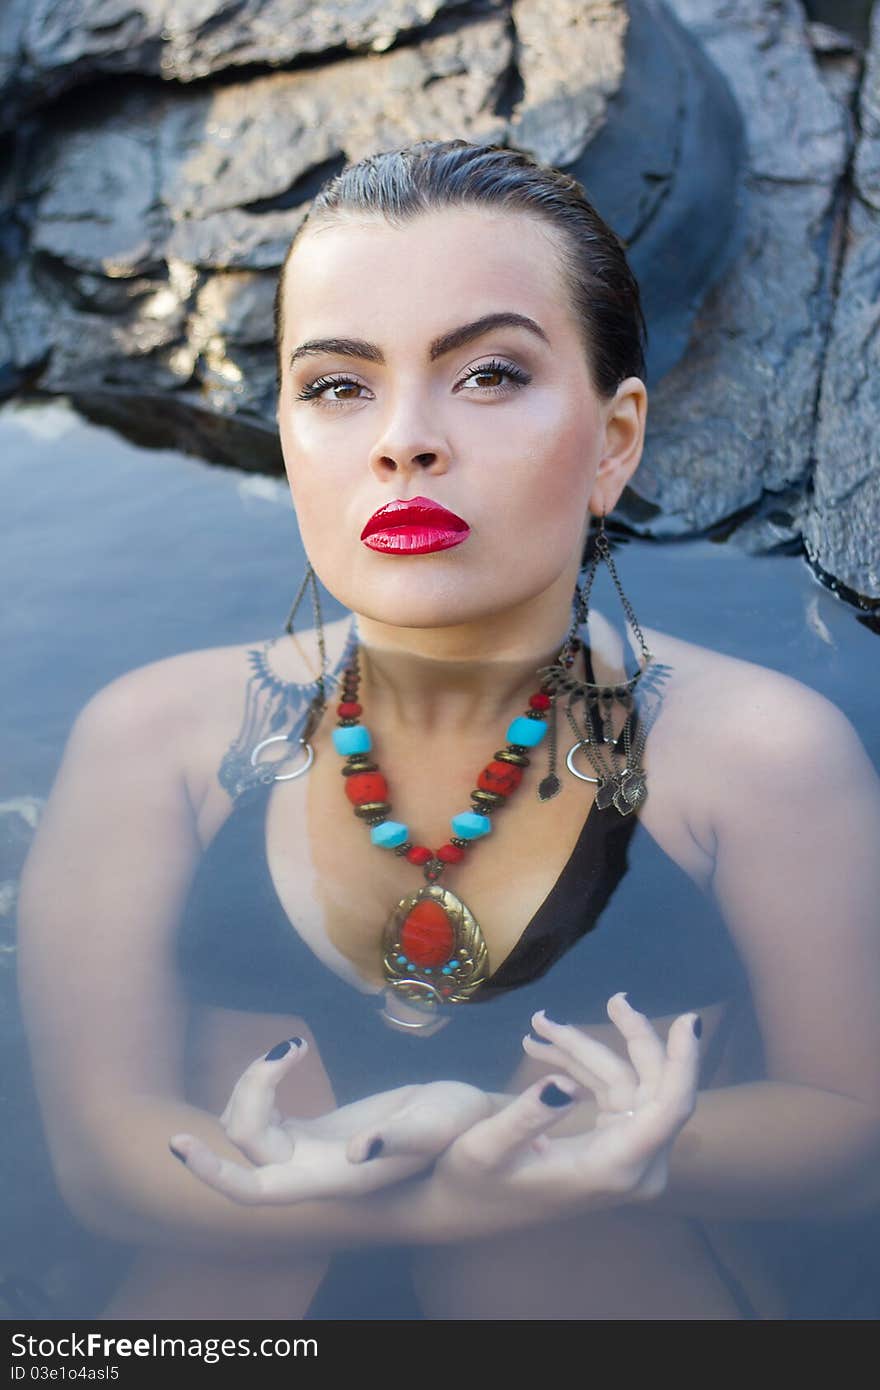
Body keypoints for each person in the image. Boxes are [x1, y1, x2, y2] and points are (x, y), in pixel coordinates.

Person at [16, 139, 880, 1322]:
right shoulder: (153, 737)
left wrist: (501, 1149)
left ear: (615, 439)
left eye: (487, 375)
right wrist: (465, 1188)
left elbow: (849, 1135)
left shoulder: (762, 756)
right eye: (337, 385)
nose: (403, 439)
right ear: (283, 429)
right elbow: (99, 1157)